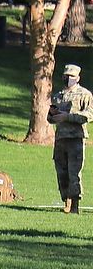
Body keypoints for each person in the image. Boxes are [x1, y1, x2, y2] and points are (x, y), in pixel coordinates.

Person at [48, 64, 93, 214]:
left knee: (74, 173)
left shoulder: (84, 94)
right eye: (66, 76)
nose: (68, 79)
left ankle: (74, 205)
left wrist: (68, 117)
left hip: (75, 139)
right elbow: (50, 118)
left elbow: (89, 115)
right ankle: (66, 200)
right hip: (60, 138)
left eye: (72, 76)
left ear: (78, 78)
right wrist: (53, 115)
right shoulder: (58, 95)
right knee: (61, 172)